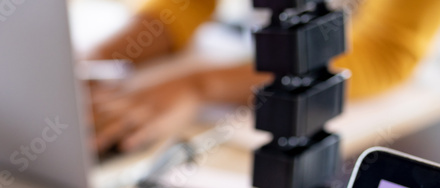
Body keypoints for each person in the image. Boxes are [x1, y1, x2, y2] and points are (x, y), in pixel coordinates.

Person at [86, 0, 440, 154]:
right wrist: (96, 61)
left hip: (396, 114)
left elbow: (383, 51)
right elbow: (188, 3)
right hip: (250, 48)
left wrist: (200, 86)